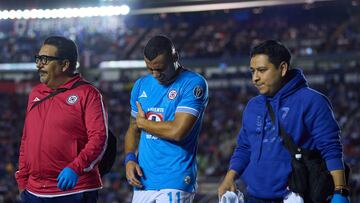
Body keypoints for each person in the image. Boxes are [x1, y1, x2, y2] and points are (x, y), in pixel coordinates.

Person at [218, 40, 350, 203]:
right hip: (253, 197)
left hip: (295, 197)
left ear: (282, 68)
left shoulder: (312, 101)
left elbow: (330, 147)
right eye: (252, 71)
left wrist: (340, 190)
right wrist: (229, 178)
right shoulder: (253, 105)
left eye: (262, 70)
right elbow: (244, 147)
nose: (255, 78)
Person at [15, 36, 108, 203]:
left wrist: (76, 168)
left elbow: (99, 138)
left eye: (45, 60)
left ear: (64, 65)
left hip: (74, 190)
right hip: (33, 192)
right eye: (38, 59)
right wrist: (22, 179)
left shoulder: (88, 93)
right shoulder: (35, 94)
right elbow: (26, 140)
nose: (39, 64)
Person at [124, 35, 208, 203]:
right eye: (150, 69)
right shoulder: (141, 85)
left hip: (175, 179)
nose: (155, 74)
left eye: (160, 68)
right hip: (143, 180)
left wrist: (143, 123)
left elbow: (178, 131)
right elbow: (133, 129)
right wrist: (129, 159)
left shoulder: (193, 84)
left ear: (175, 57)